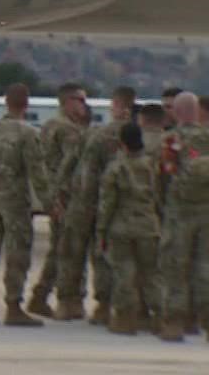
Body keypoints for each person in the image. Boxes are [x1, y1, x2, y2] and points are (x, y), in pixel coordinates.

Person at [0, 85, 49, 327]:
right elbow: (38, 173)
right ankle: (13, 306)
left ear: (5, 102)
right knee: (17, 254)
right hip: (14, 203)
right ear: (26, 104)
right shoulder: (27, 134)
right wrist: (49, 204)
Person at [57, 85, 136, 324]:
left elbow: (72, 165)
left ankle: (68, 303)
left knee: (72, 253)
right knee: (103, 256)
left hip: (84, 200)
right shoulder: (136, 135)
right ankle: (104, 305)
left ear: (117, 106)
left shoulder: (97, 134)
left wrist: (62, 194)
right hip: (115, 205)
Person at [154, 92, 209, 344]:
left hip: (179, 212)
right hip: (208, 212)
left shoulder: (170, 140)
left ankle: (175, 322)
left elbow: (159, 178)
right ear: (196, 112)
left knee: (176, 267)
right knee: (206, 267)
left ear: (175, 112)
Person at [31, 82, 91, 316]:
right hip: (67, 197)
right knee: (68, 251)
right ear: (67, 102)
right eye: (80, 100)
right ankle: (64, 299)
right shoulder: (67, 129)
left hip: (58, 195)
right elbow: (72, 165)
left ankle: (43, 295)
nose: (84, 106)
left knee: (60, 250)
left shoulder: (51, 125)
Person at [96, 123, 159, 336]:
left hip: (121, 227)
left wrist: (102, 229)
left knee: (124, 273)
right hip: (148, 226)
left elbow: (107, 203)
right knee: (151, 274)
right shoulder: (153, 165)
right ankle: (160, 316)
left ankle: (125, 319)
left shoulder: (116, 168)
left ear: (122, 143)